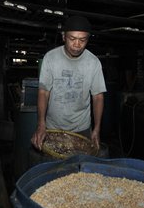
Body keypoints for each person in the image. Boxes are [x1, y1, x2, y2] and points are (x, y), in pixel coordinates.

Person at [31, 15, 107, 151]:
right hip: (53, 128)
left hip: (82, 129)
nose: (77, 44)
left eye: (82, 40)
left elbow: (98, 97)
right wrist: (41, 124)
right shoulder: (50, 58)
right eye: (72, 38)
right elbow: (43, 92)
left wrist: (97, 128)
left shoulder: (93, 62)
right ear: (63, 36)